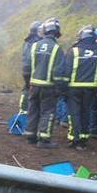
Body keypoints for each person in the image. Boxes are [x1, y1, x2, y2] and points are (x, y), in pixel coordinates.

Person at [65, 25, 97, 149]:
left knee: (74, 114)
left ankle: (74, 139)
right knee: (86, 112)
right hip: (90, 89)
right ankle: (83, 138)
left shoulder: (74, 51)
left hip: (74, 88)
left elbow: (66, 71)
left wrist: (63, 89)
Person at [23, 18, 67, 149]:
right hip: (48, 87)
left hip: (34, 85)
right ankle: (43, 139)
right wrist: (60, 89)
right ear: (56, 32)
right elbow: (58, 72)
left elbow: (27, 67)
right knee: (47, 112)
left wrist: (27, 83)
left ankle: (30, 135)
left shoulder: (35, 45)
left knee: (33, 109)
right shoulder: (56, 49)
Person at [19, 21, 42, 114]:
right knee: (31, 89)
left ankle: (23, 109)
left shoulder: (27, 41)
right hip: (32, 69)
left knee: (26, 88)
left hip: (25, 69)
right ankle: (27, 109)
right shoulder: (36, 42)